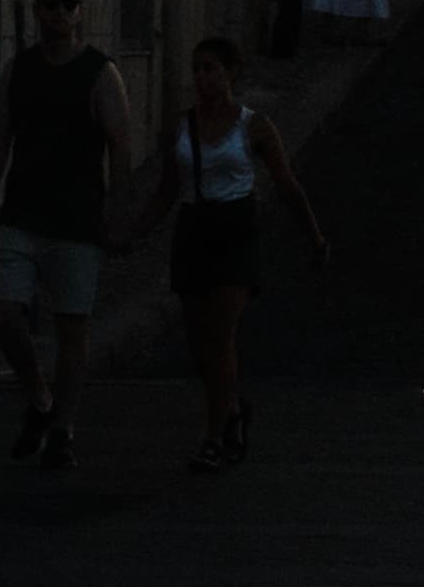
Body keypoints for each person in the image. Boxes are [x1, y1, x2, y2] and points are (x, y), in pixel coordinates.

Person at [134, 36, 328, 471]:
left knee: (220, 336)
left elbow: (285, 183)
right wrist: (131, 234)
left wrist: (313, 235)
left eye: (210, 69)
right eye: (196, 69)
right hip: (193, 230)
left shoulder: (253, 126)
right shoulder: (182, 126)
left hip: (235, 231)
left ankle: (213, 436)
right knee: (198, 343)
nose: (202, 78)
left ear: (230, 72)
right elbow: (166, 190)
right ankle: (233, 409)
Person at [0, 0, 133, 473]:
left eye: (70, 5)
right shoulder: (18, 69)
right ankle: (39, 396)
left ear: (81, 12)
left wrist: (115, 214)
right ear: (37, 11)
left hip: (75, 220)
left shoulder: (99, 72)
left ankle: (64, 428)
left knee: (73, 328)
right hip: (21, 214)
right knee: (4, 311)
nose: (61, 14)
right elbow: (0, 136)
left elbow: (120, 145)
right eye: (52, 4)